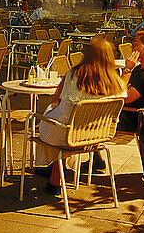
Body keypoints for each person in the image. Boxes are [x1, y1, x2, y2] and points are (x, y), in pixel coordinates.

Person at [35, 38, 125, 193]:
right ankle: (56, 173)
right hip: (97, 135)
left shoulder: (74, 75)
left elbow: (58, 102)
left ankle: (55, 175)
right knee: (66, 120)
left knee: (53, 114)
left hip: (66, 134)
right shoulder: (116, 82)